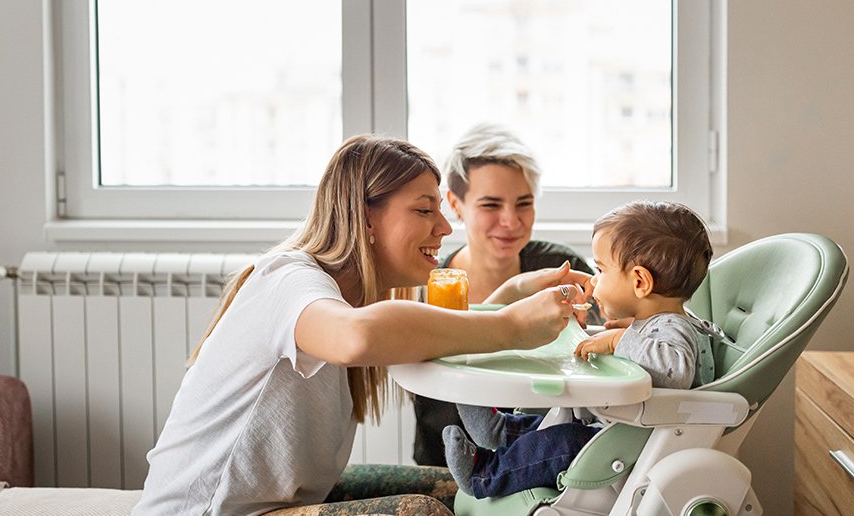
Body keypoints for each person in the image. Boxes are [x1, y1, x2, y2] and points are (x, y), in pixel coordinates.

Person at [132, 134, 593, 516]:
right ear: (366, 216)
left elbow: (431, 335)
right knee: (424, 512)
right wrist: (509, 326)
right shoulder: (290, 279)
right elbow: (358, 336)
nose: (444, 228)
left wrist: (503, 302)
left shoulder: (351, 299)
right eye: (423, 210)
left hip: (276, 503)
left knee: (473, 488)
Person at [442, 200, 717, 499]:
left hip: (636, 445)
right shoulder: (652, 324)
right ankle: (499, 431)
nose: (594, 279)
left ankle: (486, 475)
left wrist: (618, 342)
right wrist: (616, 337)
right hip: (615, 429)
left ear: (639, 281)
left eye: (601, 269)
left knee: (563, 443)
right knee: (555, 425)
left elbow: (675, 372)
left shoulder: (675, 326)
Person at [413, 122, 600, 468]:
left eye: (524, 203)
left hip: (552, 466)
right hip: (449, 469)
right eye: (491, 205)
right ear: (454, 204)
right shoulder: (428, 283)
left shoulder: (560, 269)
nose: (511, 221)